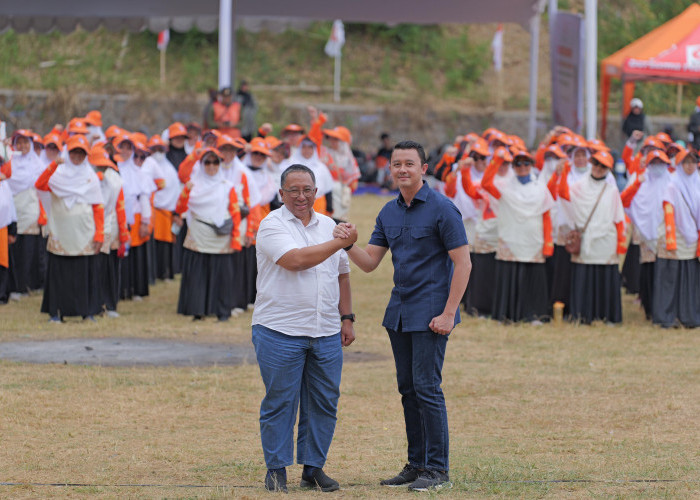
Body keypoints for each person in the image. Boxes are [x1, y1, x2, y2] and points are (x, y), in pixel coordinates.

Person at [334, 140, 471, 491]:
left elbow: (463, 263)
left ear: (423, 168)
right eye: (397, 164)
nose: (402, 170)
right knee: (408, 390)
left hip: (432, 315)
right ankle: (416, 464)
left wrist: (449, 314)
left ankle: (438, 471)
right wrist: (347, 243)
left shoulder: (443, 209)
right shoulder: (388, 212)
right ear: (390, 169)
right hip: (399, 312)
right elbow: (368, 263)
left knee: (427, 388)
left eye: (410, 163)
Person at [252, 164, 356, 493]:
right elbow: (296, 261)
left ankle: (313, 468)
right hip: (279, 329)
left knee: (324, 401)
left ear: (317, 192)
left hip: (325, 329)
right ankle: (276, 469)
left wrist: (347, 317)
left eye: (307, 190)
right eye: (293, 190)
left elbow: (342, 274)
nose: (301, 196)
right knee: (281, 400)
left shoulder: (328, 225)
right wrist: (339, 242)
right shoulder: (271, 225)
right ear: (281, 194)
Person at [35, 135, 104, 322]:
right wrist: (53, 165)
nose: (77, 156)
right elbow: (40, 184)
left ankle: (87, 312)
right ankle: (56, 312)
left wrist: (99, 234)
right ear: (68, 152)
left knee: (85, 272)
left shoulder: (91, 178)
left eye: (82, 153)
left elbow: (98, 207)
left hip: (84, 233)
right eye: (74, 152)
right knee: (59, 273)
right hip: (61, 233)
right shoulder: (57, 175)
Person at [482, 149, 555, 324]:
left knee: (533, 279)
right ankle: (506, 314)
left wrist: (548, 243)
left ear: (531, 165)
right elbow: (486, 184)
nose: (522, 167)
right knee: (510, 277)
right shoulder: (505, 187)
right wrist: (496, 161)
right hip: (511, 240)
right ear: (513, 167)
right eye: (518, 164)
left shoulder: (540, 189)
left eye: (526, 163)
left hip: (533, 240)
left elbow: (546, 216)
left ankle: (534, 315)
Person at [555, 150, 626, 324]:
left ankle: (607, 316)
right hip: (585, 239)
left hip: (605, 240)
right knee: (584, 276)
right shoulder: (579, 186)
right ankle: (582, 315)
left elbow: (618, 218)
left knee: (605, 277)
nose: (599, 169)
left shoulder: (612, 190)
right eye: (596, 164)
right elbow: (563, 194)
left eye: (603, 166)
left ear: (608, 169)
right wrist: (563, 172)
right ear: (591, 164)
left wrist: (620, 244)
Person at [175, 148, 242, 321]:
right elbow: (180, 208)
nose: (211, 166)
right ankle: (198, 310)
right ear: (202, 164)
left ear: (220, 165)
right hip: (199, 232)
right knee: (198, 273)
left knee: (222, 275)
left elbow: (235, 213)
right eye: (207, 162)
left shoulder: (227, 187)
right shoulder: (193, 185)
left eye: (215, 162)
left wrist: (236, 238)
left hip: (220, 235)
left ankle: (222, 311)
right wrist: (185, 191)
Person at [653, 149, 700, 327]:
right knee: (670, 278)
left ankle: (688, 315)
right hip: (674, 235)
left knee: (689, 277)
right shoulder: (672, 185)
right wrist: (671, 237)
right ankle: (666, 316)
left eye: (693, 162)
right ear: (679, 165)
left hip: (692, 238)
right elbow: (668, 210)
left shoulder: (697, 183)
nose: (690, 166)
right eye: (686, 163)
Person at [0, 156, 17, 304]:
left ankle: (2, 294)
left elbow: (11, 208)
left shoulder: (5, 185)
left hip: (2, 229)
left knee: (2, 262)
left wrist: (12, 230)